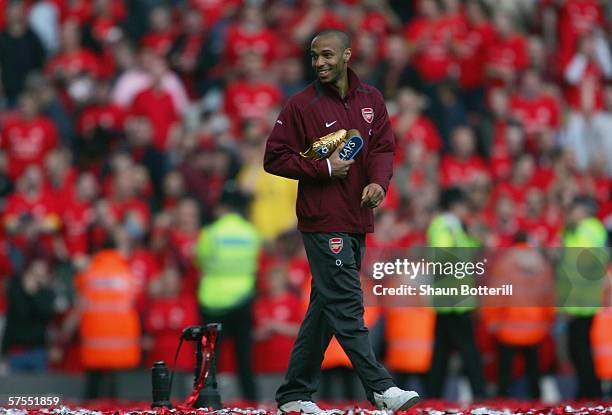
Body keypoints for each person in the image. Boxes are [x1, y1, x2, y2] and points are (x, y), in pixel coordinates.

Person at [264, 29, 419, 414]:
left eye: (327, 55)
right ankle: (380, 388)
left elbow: (383, 147)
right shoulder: (301, 105)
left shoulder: (372, 100)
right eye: (314, 56)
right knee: (348, 301)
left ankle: (294, 394)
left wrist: (378, 184)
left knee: (325, 306)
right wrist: (323, 167)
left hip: (356, 216)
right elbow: (274, 158)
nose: (319, 62)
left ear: (347, 55)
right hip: (322, 219)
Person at [195, 185, 261, 402]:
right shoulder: (251, 233)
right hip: (242, 298)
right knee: (244, 357)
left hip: (212, 299)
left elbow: (200, 261)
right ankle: (251, 399)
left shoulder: (211, 233)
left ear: (221, 207)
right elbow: (254, 264)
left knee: (210, 357)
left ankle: (206, 399)